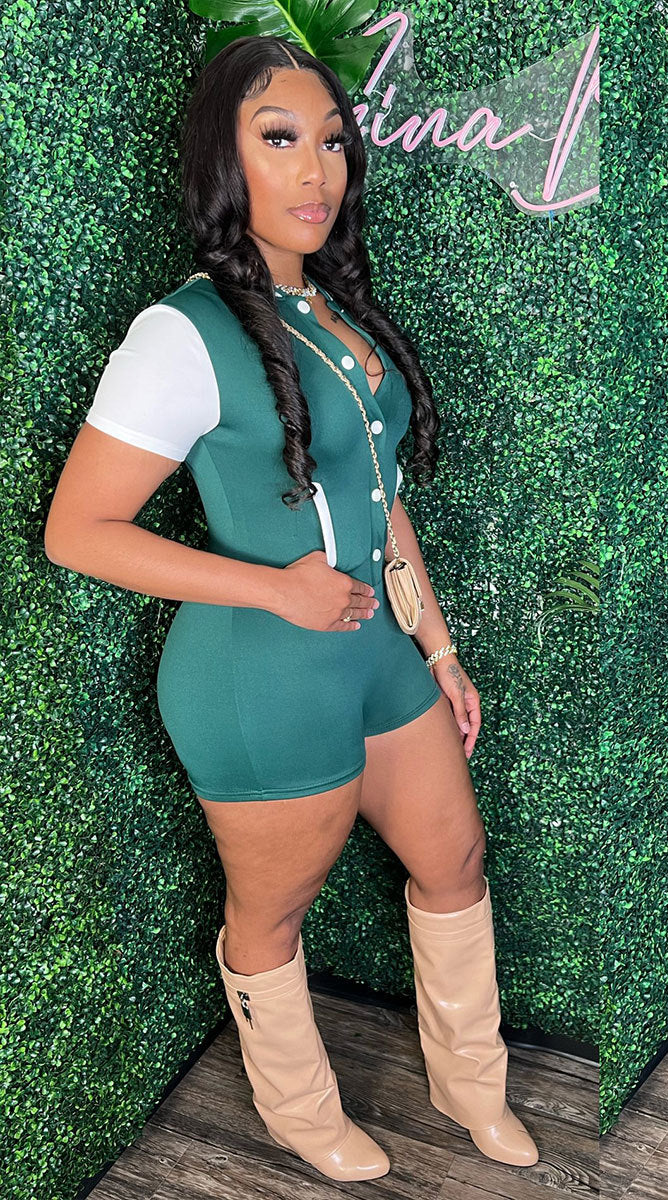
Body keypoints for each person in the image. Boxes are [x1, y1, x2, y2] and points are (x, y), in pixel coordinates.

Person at [43, 35, 538, 1182]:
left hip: (376, 650)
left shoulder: (332, 309)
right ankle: (300, 1113)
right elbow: (77, 532)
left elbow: (382, 497)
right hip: (256, 676)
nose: (316, 171)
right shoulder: (182, 333)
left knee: (456, 856)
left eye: (331, 142)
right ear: (225, 159)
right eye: (279, 139)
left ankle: (472, 1086)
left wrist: (439, 645)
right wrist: (274, 585)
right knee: (270, 913)